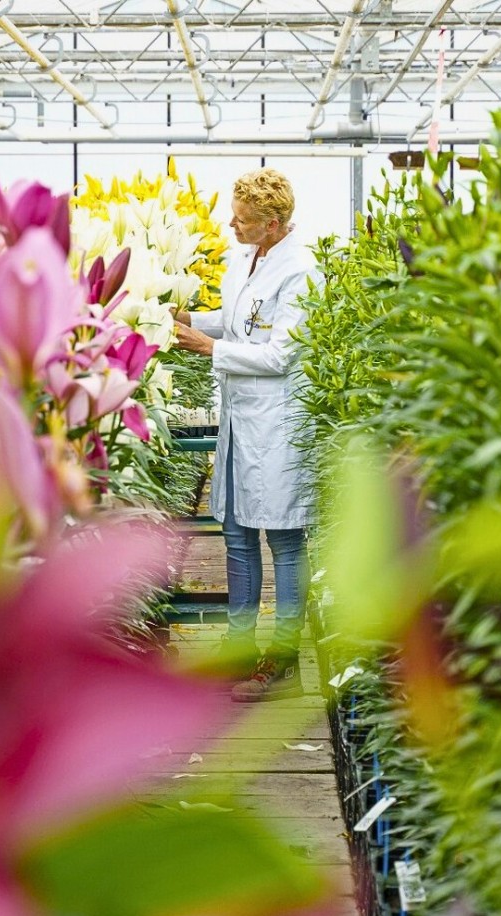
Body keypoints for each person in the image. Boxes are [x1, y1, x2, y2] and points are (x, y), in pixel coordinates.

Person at [172, 168, 319, 703]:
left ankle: (280, 663)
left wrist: (209, 350)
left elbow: (281, 354)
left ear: (272, 224)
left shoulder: (301, 271)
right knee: (236, 533)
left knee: (282, 540)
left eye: (243, 219)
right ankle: (237, 651)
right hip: (242, 417)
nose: (231, 224)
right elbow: (239, 323)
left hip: (277, 422)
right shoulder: (245, 257)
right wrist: (192, 319)